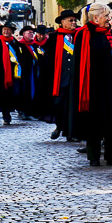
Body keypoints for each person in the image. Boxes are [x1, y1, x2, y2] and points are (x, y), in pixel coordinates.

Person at [69, 3, 112, 166]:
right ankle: (94, 156)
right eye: (106, 16)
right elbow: (81, 63)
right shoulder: (84, 34)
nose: (108, 19)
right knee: (94, 122)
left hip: (111, 83)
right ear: (95, 17)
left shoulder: (109, 34)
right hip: (92, 84)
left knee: (111, 121)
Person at [43, 10, 79, 140]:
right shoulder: (54, 37)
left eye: (75, 20)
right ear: (62, 22)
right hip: (59, 77)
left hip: (75, 77)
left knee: (72, 106)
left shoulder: (79, 36)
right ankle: (59, 126)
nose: (74, 23)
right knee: (59, 105)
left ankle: (70, 133)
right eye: (71, 20)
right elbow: (48, 59)